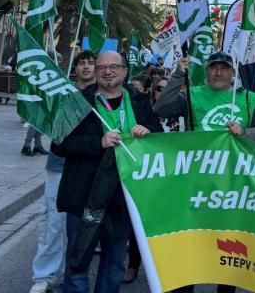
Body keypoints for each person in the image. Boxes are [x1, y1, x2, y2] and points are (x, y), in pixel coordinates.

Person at [53, 51, 161, 293]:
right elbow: (59, 145)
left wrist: (148, 132)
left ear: (124, 71)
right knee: (77, 264)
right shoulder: (77, 102)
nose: (108, 71)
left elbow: (158, 136)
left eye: (114, 67)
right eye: (102, 67)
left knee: (114, 264)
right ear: (96, 71)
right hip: (84, 196)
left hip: (122, 198)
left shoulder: (140, 101)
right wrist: (98, 142)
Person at [29, 50, 97, 293]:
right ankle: (44, 275)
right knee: (52, 221)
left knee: (83, 226)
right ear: (75, 68)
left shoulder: (102, 95)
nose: (86, 67)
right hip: (59, 165)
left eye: (91, 63)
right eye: (82, 63)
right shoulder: (61, 94)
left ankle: (74, 274)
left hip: (89, 168)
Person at [154, 52, 255, 139]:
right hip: (199, 161)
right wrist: (178, 75)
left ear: (233, 72)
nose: (218, 73)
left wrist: (243, 132)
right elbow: (161, 109)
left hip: (235, 162)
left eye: (224, 68)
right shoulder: (192, 94)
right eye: (213, 67)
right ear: (206, 71)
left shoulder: (249, 98)